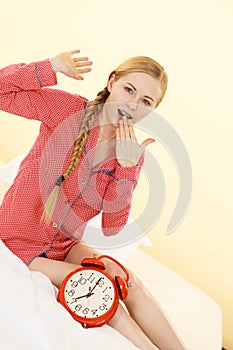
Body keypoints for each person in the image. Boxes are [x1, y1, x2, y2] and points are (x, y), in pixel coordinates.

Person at [0, 49, 186, 350]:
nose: (132, 104)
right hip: (18, 241)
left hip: (65, 245)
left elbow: (113, 228)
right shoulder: (67, 109)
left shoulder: (130, 154)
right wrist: (51, 67)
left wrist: (126, 171)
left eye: (145, 102)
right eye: (129, 89)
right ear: (112, 81)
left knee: (128, 281)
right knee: (100, 287)